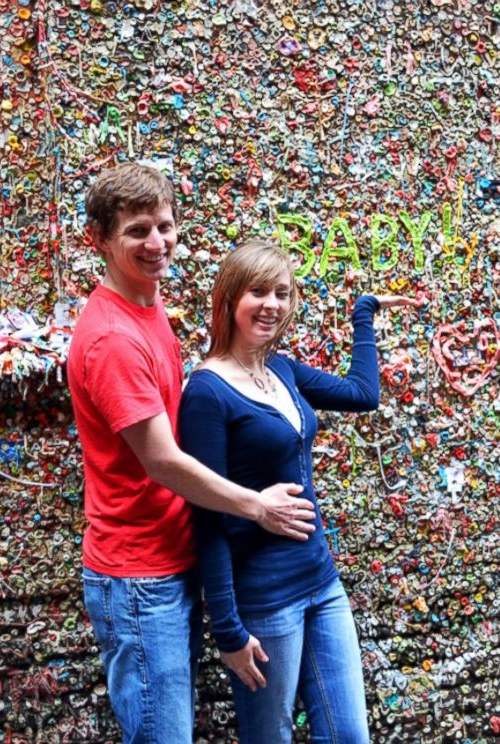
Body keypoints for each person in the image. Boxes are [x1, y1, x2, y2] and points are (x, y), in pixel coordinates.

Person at [66, 164, 316, 744]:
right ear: (98, 239)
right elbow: (161, 459)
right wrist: (256, 505)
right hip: (138, 576)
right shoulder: (113, 339)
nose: (156, 244)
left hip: (170, 560)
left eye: (164, 226)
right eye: (136, 231)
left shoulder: (146, 309)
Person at [178, 239, 419, 743]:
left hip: (322, 584)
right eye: (259, 291)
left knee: (348, 735)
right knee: (271, 737)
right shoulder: (206, 392)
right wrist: (227, 631)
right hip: (264, 600)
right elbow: (206, 514)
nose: (273, 305)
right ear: (229, 299)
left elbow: (363, 394)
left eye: (283, 293)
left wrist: (364, 313)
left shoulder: (280, 369)